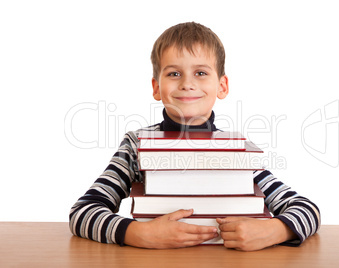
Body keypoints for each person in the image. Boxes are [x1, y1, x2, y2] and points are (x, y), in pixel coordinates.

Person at [69, 22, 320, 251]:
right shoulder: (137, 146)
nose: (187, 84)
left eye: (200, 73)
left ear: (222, 86)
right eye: (174, 74)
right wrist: (138, 234)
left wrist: (274, 230)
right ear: (156, 87)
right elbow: (83, 213)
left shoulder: (237, 152)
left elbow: (307, 210)